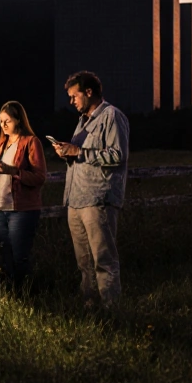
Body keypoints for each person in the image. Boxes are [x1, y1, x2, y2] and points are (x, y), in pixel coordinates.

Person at [48, 71, 130, 309]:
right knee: (84, 261)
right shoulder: (82, 122)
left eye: (75, 96)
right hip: (76, 199)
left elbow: (117, 155)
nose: (72, 101)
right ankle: (90, 306)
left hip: (98, 198)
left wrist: (79, 152)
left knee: (103, 258)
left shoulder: (111, 116)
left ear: (89, 92)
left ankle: (111, 309)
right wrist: (67, 152)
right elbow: (80, 157)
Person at [0, 101, 48, 288]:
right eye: (1, 121)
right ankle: (12, 294)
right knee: (5, 254)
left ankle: (26, 293)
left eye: (7, 121)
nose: (3, 125)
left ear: (18, 120)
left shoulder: (30, 142)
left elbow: (39, 177)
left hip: (21, 209)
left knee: (20, 255)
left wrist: (12, 171)